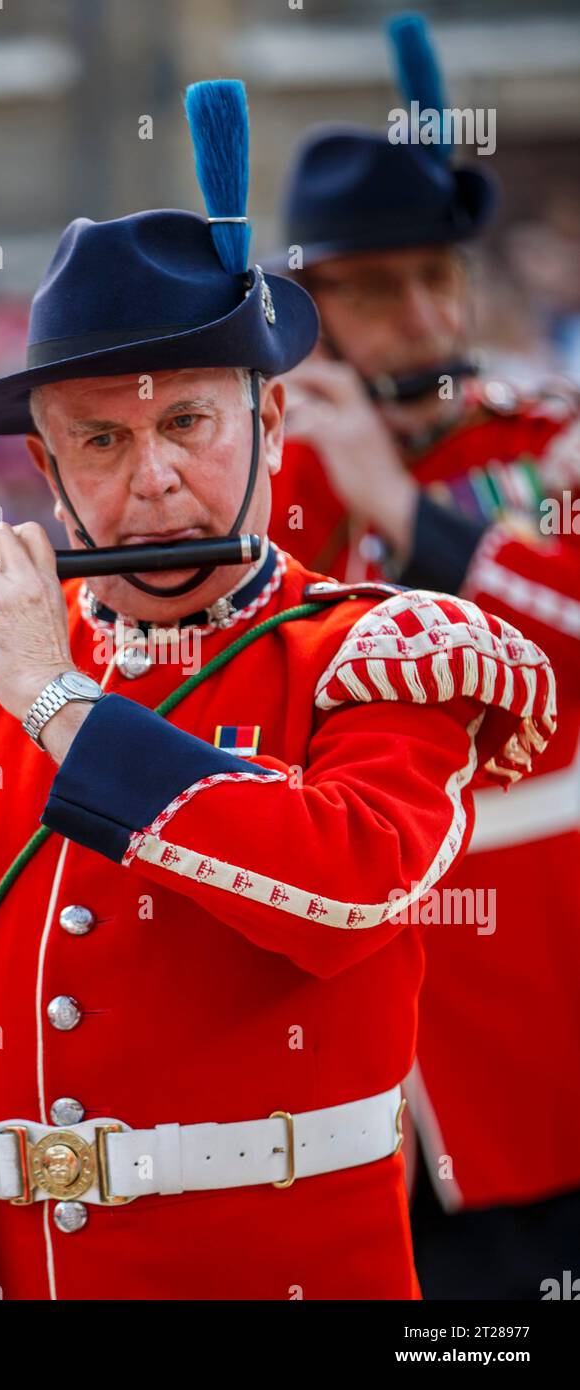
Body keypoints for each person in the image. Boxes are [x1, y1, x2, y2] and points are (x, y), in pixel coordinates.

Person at [0, 80, 553, 1301]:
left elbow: (347, 887)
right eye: (103, 441)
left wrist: (60, 704)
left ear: (270, 423)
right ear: (44, 464)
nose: (154, 478)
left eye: (187, 421)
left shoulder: (380, 648)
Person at [267, 17, 580, 1298]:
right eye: (377, 288)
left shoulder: (548, 443)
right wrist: (318, 481)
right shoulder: (260, 482)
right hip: (377, 1031)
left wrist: (403, 513)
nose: (423, 315)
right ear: (310, 309)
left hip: (550, 978)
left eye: (436, 279)